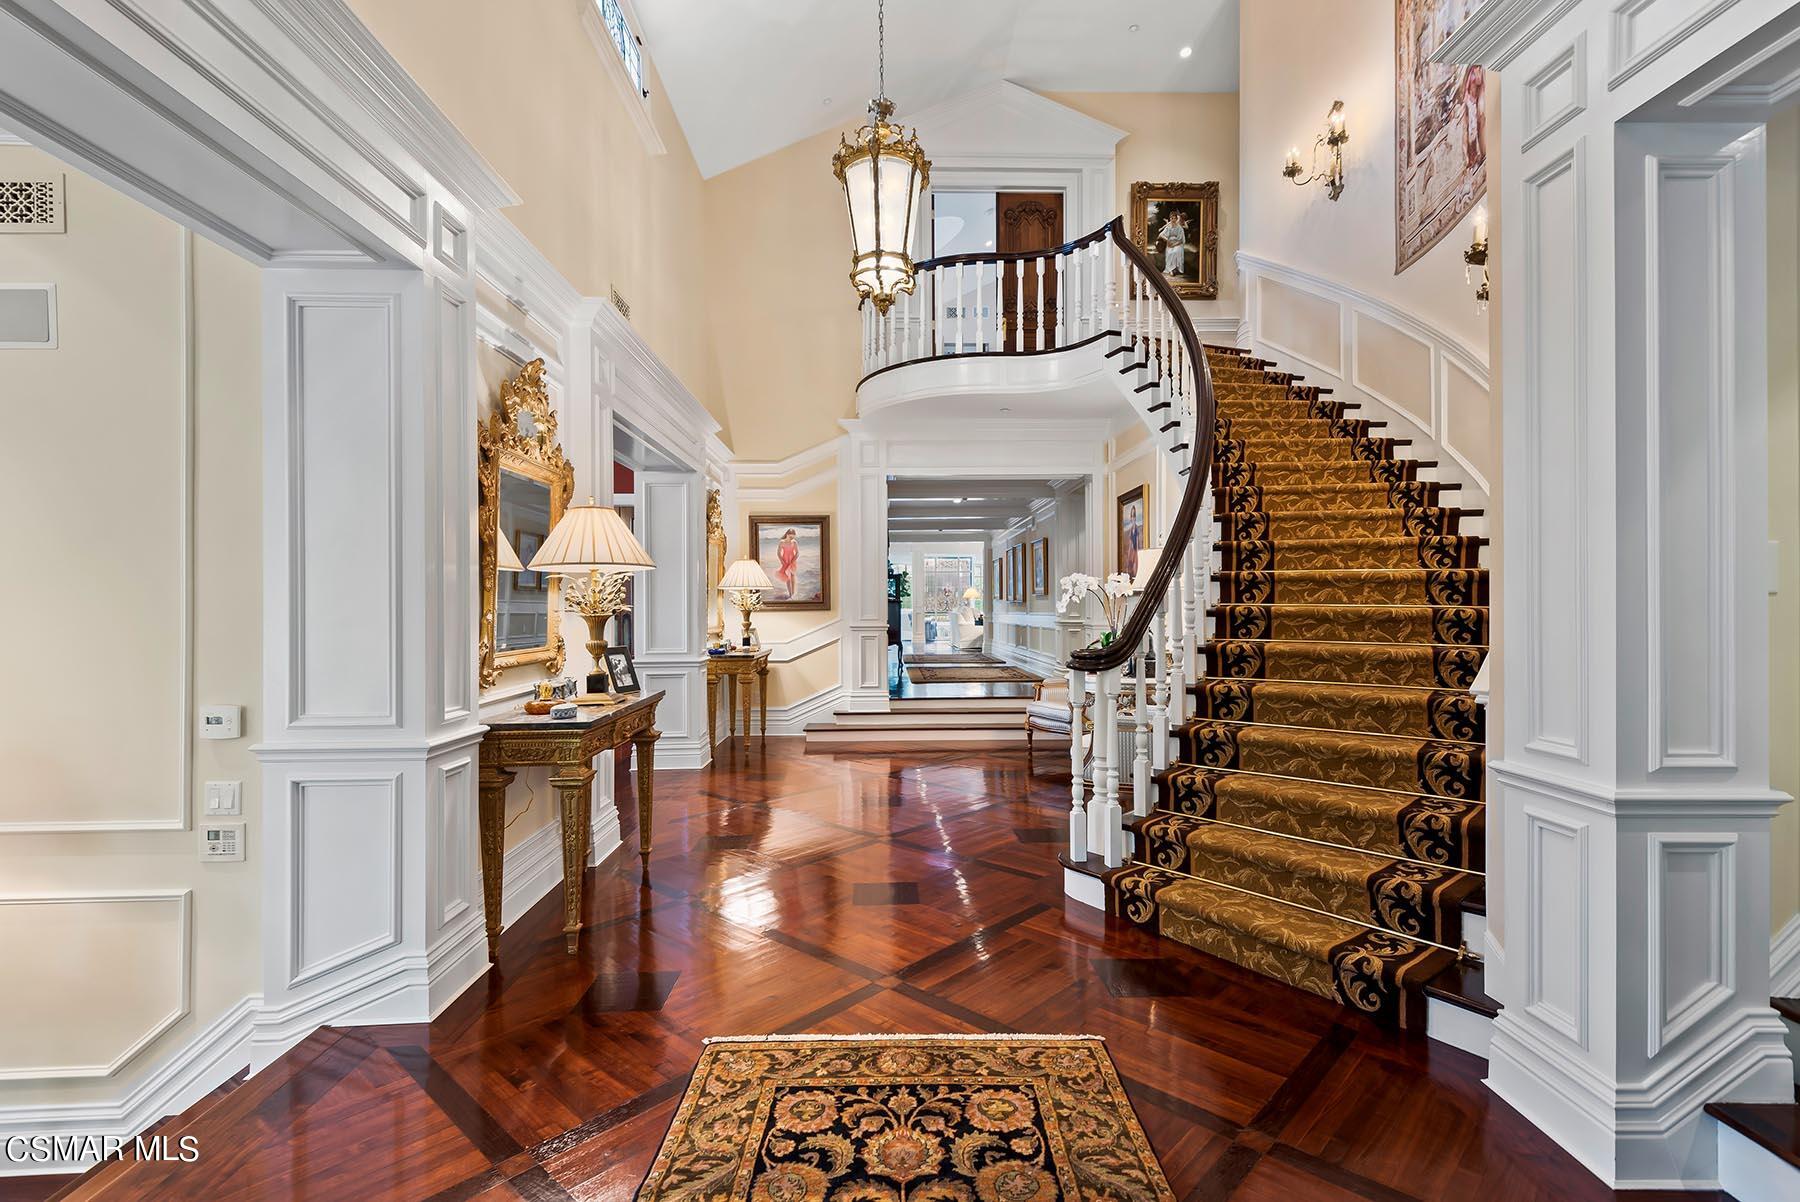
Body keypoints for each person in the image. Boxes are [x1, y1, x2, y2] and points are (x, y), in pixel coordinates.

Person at [1157, 210, 1188, 276]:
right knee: (1170, 252)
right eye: (1171, 218)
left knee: (1176, 251)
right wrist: (1167, 240)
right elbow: (1161, 234)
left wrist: (1174, 244)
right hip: (1170, 242)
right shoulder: (1168, 226)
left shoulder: (1179, 227)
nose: (1172, 219)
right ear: (1170, 218)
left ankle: (1176, 268)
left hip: (1178, 243)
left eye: (1174, 218)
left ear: (1176, 219)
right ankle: (1171, 269)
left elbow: (1181, 240)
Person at [776, 528, 800, 599]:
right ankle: (790, 594)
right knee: (787, 576)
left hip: (793, 560)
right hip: (785, 560)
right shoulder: (782, 542)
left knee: (792, 575)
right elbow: (778, 553)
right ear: (787, 534)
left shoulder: (794, 542)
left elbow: (797, 553)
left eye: (793, 537)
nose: (792, 538)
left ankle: (793, 593)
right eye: (790, 536)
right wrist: (782, 561)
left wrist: (794, 559)